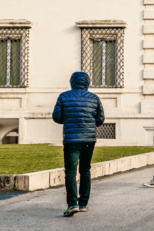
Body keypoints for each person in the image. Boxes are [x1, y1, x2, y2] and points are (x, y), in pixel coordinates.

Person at [52, 71, 105, 217]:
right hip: (88, 139)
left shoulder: (64, 96)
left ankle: (72, 204)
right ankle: (83, 204)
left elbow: (56, 117)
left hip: (71, 139)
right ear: (87, 82)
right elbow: (100, 119)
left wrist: (68, 120)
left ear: (72, 82)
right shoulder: (94, 98)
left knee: (70, 171)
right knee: (85, 170)